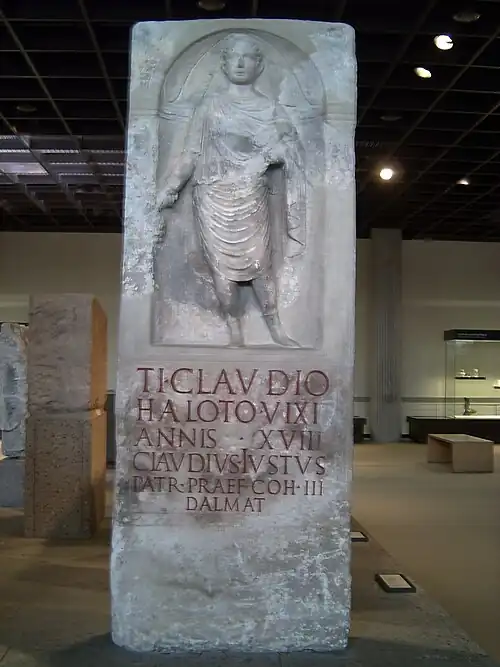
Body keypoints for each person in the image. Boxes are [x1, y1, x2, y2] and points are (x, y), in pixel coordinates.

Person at [157, 33, 306, 346]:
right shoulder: (209, 107)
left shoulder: (271, 109)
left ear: (258, 64)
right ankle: (235, 332)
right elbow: (191, 154)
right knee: (220, 270)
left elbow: (291, 149)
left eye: (247, 57)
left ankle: (276, 328)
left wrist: (267, 156)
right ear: (223, 65)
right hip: (212, 195)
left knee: (260, 266)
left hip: (251, 194)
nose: (239, 63)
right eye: (233, 57)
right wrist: (169, 189)